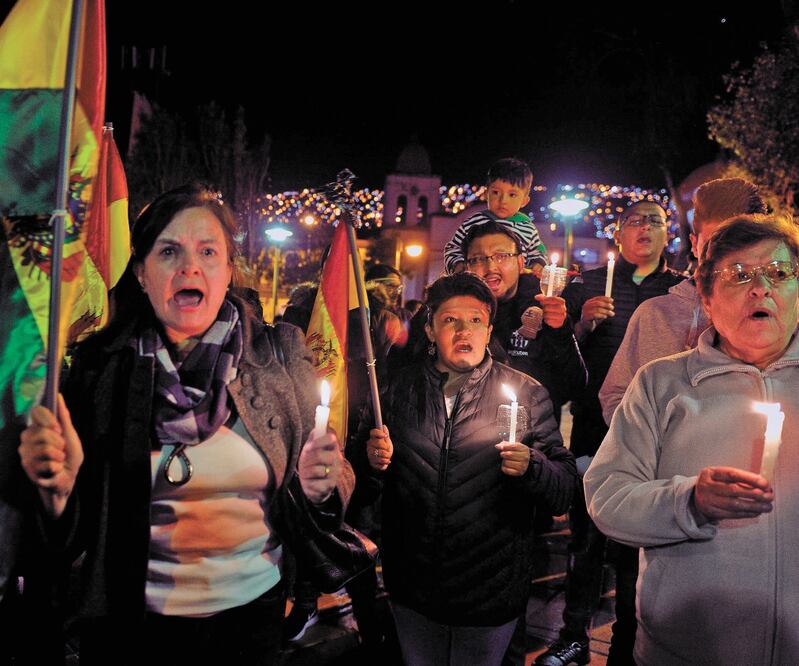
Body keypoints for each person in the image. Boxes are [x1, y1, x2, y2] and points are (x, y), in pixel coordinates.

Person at [17, 183, 352, 665]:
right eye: (169, 251)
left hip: (251, 621)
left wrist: (321, 489)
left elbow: (329, 490)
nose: (189, 267)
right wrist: (58, 490)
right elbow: (63, 535)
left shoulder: (280, 357)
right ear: (141, 273)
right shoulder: (98, 369)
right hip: (132, 625)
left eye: (208, 251)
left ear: (228, 270)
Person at [585, 214, 799, 665]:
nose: (761, 288)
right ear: (705, 296)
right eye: (739, 276)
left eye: (779, 273)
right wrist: (690, 501)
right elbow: (608, 497)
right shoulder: (662, 384)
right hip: (685, 651)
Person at [354, 273, 577, 666]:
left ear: (489, 328)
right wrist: (370, 463)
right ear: (429, 329)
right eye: (449, 320)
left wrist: (533, 467)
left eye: (475, 320)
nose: (463, 330)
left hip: (489, 592)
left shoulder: (526, 393)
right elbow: (360, 488)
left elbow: (564, 489)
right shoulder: (396, 392)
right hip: (413, 587)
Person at [536, 200, 685, 666]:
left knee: (634, 541)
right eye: (634, 222)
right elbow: (561, 356)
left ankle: (627, 639)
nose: (645, 229)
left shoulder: (681, 291)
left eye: (655, 222)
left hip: (653, 435)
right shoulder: (588, 285)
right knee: (585, 536)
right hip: (593, 427)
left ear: (669, 236)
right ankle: (574, 634)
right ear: (618, 235)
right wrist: (582, 326)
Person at [599, 178, 768, 423]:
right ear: (695, 244)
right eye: (714, 243)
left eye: (739, 243)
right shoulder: (656, 315)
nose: (726, 256)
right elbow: (616, 395)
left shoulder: (779, 315)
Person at [444, 158, 547, 276]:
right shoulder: (474, 222)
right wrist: (458, 264)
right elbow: (453, 248)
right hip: (478, 283)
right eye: (496, 192)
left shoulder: (528, 228)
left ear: (524, 201)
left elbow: (537, 254)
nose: (503, 200)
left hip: (516, 288)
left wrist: (538, 264)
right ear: (486, 194)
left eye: (512, 195)